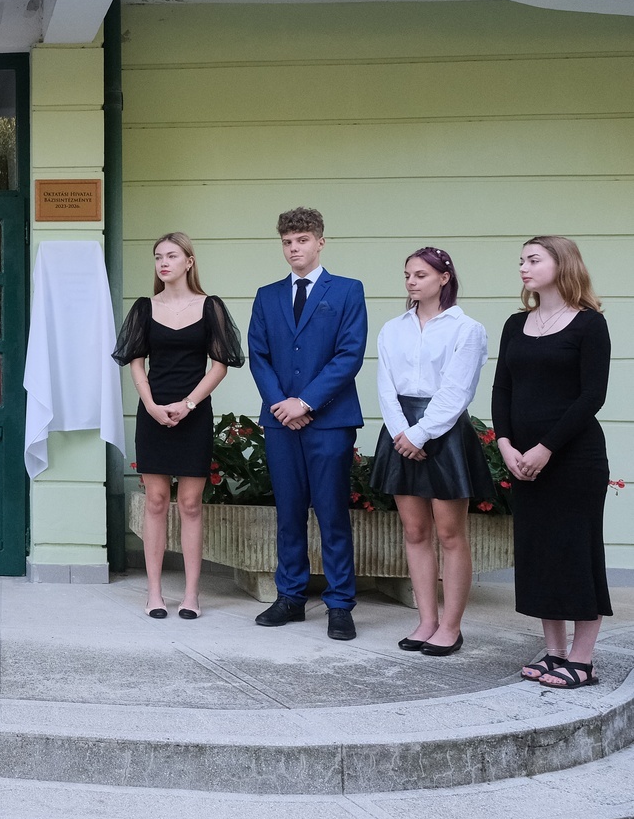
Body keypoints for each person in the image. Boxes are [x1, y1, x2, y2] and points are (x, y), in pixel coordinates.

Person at [493, 236, 612, 690]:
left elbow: (592, 396)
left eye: (533, 259)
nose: (523, 267)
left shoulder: (590, 324)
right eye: (521, 260)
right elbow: (502, 388)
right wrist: (505, 444)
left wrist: (545, 448)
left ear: (562, 265)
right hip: (523, 459)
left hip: (574, 459)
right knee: (540, 552)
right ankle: (555, 651)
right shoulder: (515, 323)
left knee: (576, 552)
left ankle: (583, 660)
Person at [246, 207, 368, 640]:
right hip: (281, 422)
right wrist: (283, 404)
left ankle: (340, 604)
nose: (294, 248)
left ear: (320, 242)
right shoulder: (267, 295)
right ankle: (291, 597)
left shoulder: (348, 290)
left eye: (302, 240)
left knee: (332, 513)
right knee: (289, 512)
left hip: (329, 421)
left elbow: (349, 355)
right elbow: (258, 355)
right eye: (287, 242)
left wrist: (306, 402)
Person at [114, 232, 244, 620]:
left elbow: (219, 366)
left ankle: (191, 595)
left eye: (171, 256)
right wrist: (151, 405)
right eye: (158, 257)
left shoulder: (210, 307)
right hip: (153, 413)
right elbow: (136, 363)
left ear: (189, 261)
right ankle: (154, 594)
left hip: (193, 413)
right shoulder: (144, 308)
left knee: (189, 504)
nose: (163, 263)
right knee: (155, 501)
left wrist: (188, 405)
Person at [370, 247, 491, 656]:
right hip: (400, 431)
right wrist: (402, 434)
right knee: (415, 531)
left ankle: (451, 627)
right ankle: (426, 620)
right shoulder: (392, 329)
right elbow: (385, 385)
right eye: (407, 275)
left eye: (420, 275)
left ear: (444, 277)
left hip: (444, 432)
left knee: (450, 534)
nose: (411, 281)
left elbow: (458, 389)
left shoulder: (466, 329)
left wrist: (421, 435)